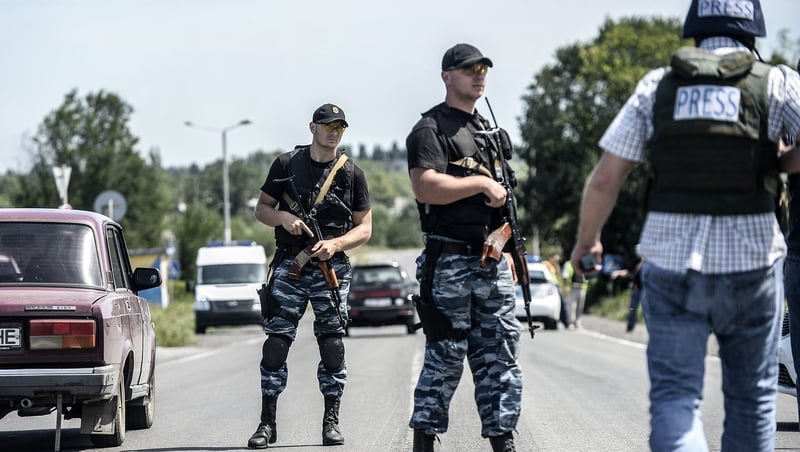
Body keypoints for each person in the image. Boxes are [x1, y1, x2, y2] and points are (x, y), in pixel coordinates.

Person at [570, 1, 800, 450]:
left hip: (671, 265)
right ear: (753, 31)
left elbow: (605, 178)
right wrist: (777, 162)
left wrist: (588, 242)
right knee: (752, 402)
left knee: (676, 398)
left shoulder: (657, 86)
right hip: (753, 264)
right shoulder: (777, 82)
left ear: (694, 30)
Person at [406, 42, 522, 452]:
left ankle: (503, 438)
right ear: (447, 76)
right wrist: (479, 183)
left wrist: (507, 248)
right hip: (450, 259)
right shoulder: (430, 129)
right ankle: (425, 438)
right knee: (446, 355)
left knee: (501, 354)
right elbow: (425, 186)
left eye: (483, 68)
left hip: (491, 260)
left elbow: (505, 199)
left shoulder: (489, 132)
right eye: (470, 68)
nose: (479, 74)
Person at [249, 103, 372, 449]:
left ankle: (331, 422)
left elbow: (365, 229)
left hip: (330, 269)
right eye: (328, 125)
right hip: (291, 266)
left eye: (340, 127)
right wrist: (284, 219)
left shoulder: (352, 174)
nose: (334, 132)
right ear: (312, 127)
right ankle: (267, 424)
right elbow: (262, 209)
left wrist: (335, 244)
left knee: (332, 344)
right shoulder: (287, 164)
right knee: (275, 345)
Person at [625, 258, 643, 333]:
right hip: (635, 290)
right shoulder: (636, 262)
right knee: (632, 308)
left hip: (645, 291)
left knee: (647, 310)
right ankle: (630, 325)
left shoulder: (649, 263)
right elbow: (630, 272)